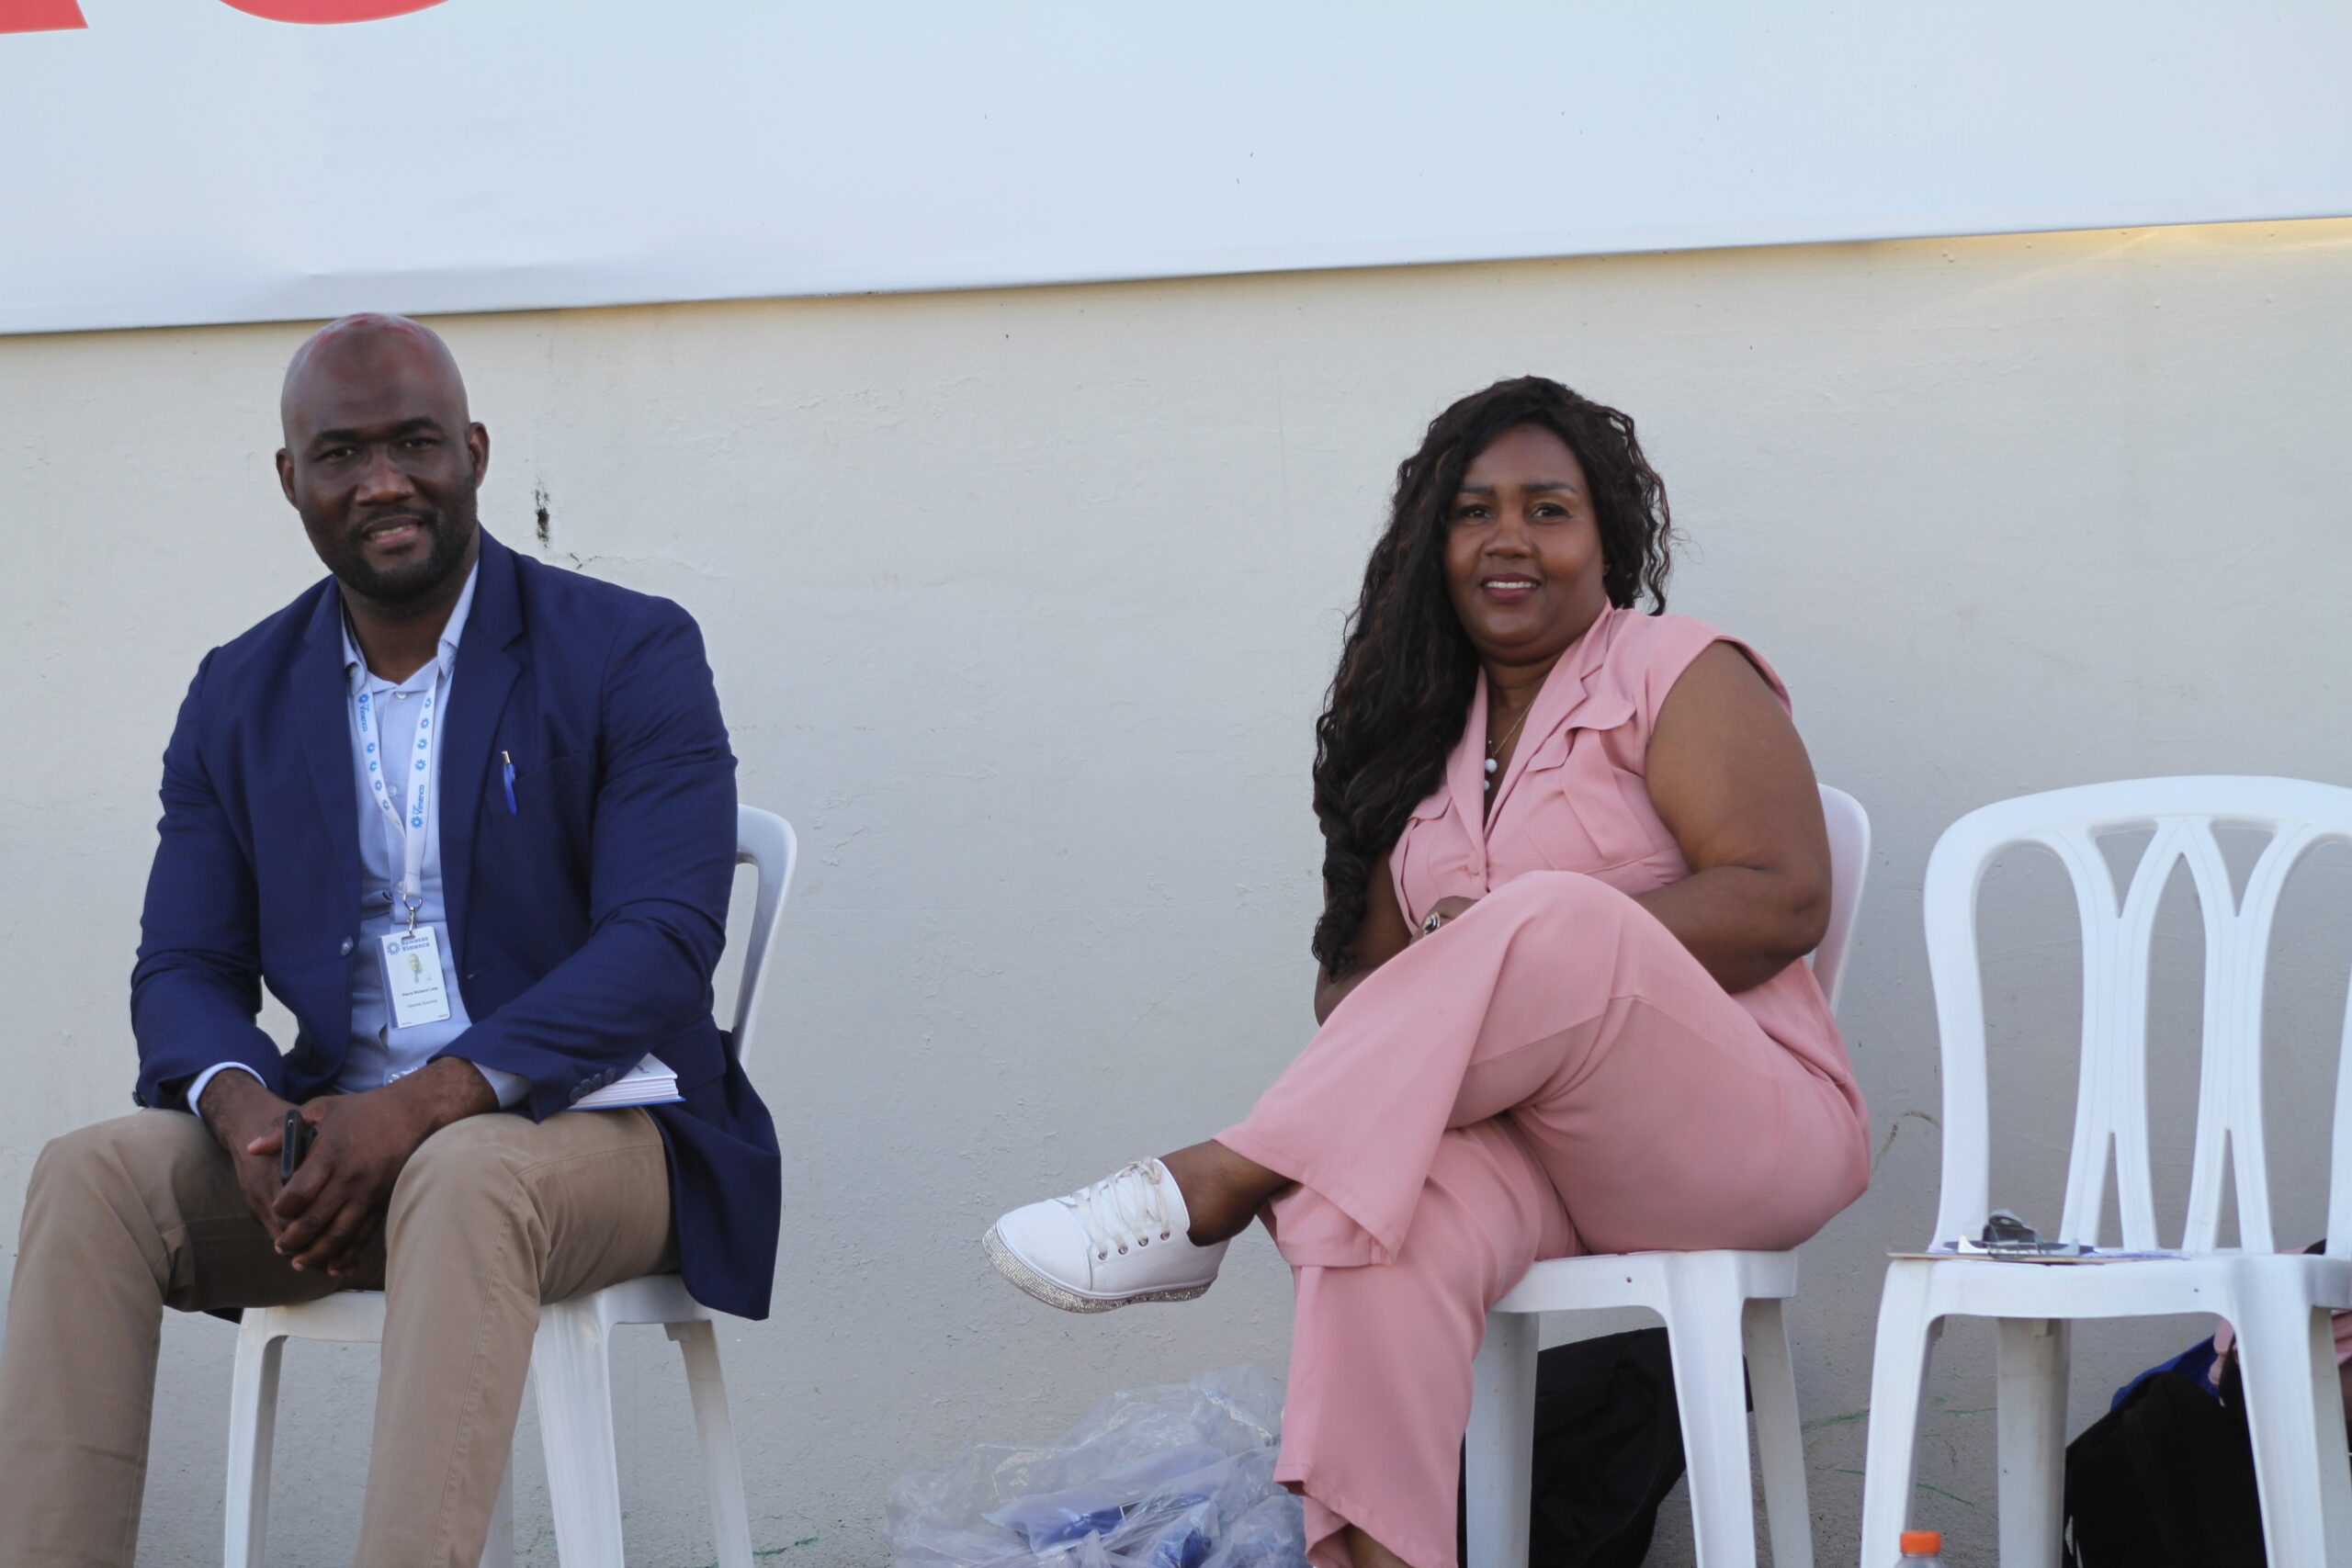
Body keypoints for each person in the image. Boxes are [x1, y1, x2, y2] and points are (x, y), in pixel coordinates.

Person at [986, 378, 1871, 1568]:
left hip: (1733, 1138)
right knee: (1361, 1202)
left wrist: (1515, 935)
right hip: (1538, 1162)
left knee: (1557, 919)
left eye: (1548, 509)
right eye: (1473, 511)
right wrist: (1472, 957)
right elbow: (1355, 1005)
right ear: (1431, 544)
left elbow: (1784, 896)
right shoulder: (1413, 735)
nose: (1510, 538)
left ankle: (1215, 1181)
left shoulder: (1673, 669)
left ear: (1606, 535)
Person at [0, 314, 776, 1567]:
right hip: (340, 1148)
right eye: (341, 454)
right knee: (92, 1174)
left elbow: (662, 942)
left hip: (596, 1132)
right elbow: (185, 965)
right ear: (290, 478)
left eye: (416, 443)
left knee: (467, 1173)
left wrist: (421, 1105)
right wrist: (247, 1113)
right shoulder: (239, 690)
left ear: (475, 452)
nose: (382, 483)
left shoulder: (627, 649)